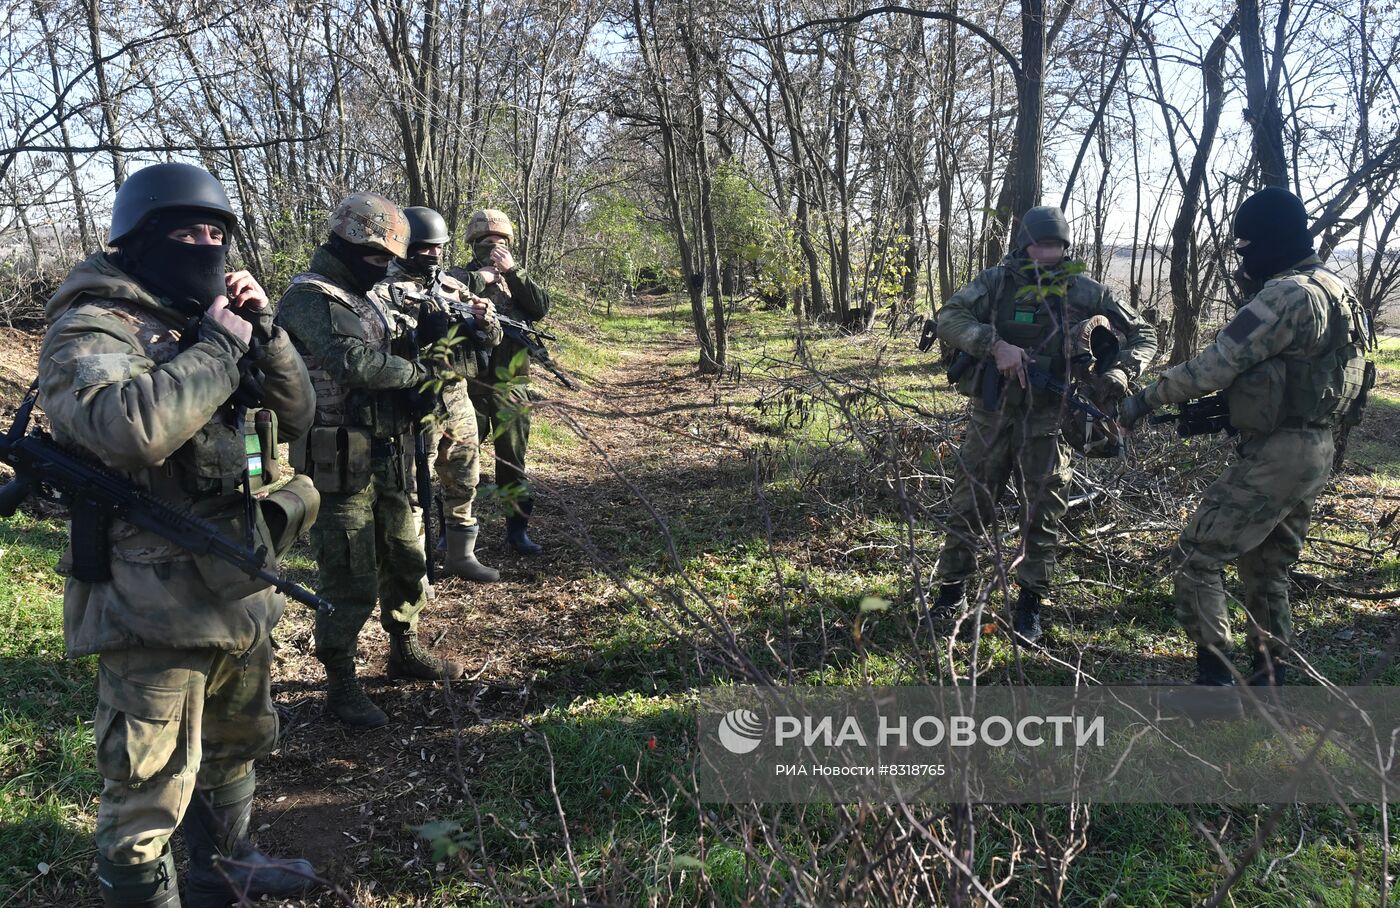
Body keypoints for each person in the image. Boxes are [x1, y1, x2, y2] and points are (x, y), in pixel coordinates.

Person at [37, 162, 319, 906]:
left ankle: (225, 865)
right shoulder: (93, 324)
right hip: (150, 599)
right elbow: (128, 429)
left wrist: (265, 333)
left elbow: (298, 416)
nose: (206, 243)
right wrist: (220, 349)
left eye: (217, 231)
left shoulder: (203, 318)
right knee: (146, 785)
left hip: (234, 580)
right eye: (187, 230)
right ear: (138, 239)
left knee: (235, 744)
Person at [1119, 187, 1370, 687]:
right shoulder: (1336, 289)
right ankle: (1271, 674)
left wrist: (1144, 399)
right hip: (1317, 447)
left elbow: (1216, 364)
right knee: (1265, 563)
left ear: (1268, 240)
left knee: (1197, 554)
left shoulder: (1287, 294)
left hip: (1280, 452)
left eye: (1246, 244)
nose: (1243, 256)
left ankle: (1216, 680)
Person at [275, 193, 464, 729]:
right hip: (339, 462)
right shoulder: (308, 298)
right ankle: (341, 680)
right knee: (350, 571)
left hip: (393, 452)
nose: (384, 267)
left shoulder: (368, 297)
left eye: (388, 260)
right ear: (346, 246)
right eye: (377, 257)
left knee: (408, 555)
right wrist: (416, 376)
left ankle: (404, 645)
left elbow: (391, 351)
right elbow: (351, 362)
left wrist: (423, 350)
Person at [932, 205, 1157, 643]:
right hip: (991, 413)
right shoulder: (997, 282)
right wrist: (994, 345)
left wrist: (1121, 372)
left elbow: (1144, 333)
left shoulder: (1082, 289)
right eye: (1041, 245)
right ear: (1024, 244)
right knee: (970, 501)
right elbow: (950, 317)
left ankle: (1030, 605)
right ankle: (950, 595)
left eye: (1057, 246)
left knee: (1044, 512)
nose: (1049, 253)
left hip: (1050, 417)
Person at [375, 206, 503, 582]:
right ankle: (415, 571)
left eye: (439, 247)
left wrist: (484, 321)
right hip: (415, 400)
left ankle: (462, 556)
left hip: (456, 396)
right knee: (414, 487)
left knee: (464, 476)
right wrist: (417, 330)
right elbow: (379, 347)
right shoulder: (384, 290)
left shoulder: (453, 286)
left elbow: (492, 340)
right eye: (425, 247)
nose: (433, 254)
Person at [450, 208, 552, 555]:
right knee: (459, 463)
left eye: (500, 243)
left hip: (511, 385)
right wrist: (483, 279)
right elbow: (445, 297)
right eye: (487, 243)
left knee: (512, 462)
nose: (494, 248)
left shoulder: (518, 280)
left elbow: (540, 307)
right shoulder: (460, 277)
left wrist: (512, 272)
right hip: (467, 385)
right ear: (474, 245)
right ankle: (453, 533)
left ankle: (517, 531)